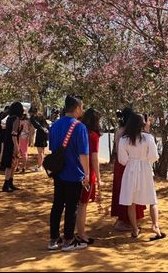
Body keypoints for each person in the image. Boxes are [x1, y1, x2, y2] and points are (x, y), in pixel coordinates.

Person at [47, 95, 90, 252]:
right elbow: (83, 154)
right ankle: (68, 240)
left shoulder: (55, 125)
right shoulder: (80, 127)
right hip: (74, 173)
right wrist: (87, 174)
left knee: (57, 204)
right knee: (72, 207)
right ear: (77, 108)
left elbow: (53, 149)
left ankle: (53, 239)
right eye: (82, 107)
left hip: (58, 172)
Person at [118, 112, 166, 241]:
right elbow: (154, 156)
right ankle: (156, 226)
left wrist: (132, 162)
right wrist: (146, 162)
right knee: (152, 199)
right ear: (142, 125)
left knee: (131, 201)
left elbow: (122, 159)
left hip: (130, 170)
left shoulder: (124, 140)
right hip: (145, 168)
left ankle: (135, 229)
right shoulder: (148, 138)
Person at [110, 107, 145, 231]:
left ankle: (127, 219)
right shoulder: (126, 133)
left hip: (121, 164)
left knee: (123, 191)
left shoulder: (120, 131)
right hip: (128, 164)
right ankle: (124, 220)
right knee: (129, 191)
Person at [75, 108, 102, 244]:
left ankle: (74, 231)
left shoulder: (79, 130)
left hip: (75, 170)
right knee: (83, 204)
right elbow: (94, 158)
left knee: (75, 203)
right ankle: (81, 233)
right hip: (87, 172)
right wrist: (98, 177)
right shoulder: (93, 136)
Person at [0, 102, 23, 192]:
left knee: (13, 164)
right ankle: (6, 184)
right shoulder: (16, 119)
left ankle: (10, 183)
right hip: (12, 143)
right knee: (11, 164)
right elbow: (14, 134)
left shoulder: (9, 118)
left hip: (8, 142)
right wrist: (16, 147)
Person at [30, 107, 49, 172]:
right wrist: (45, 129)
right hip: (44, 134)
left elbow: (36, 125)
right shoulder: (42, 116)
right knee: (42, 151)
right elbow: (46, 125)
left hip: (40, 134)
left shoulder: (33, 118)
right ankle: (41, 165)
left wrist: (42, 129)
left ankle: (40, 166)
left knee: (40, 152)